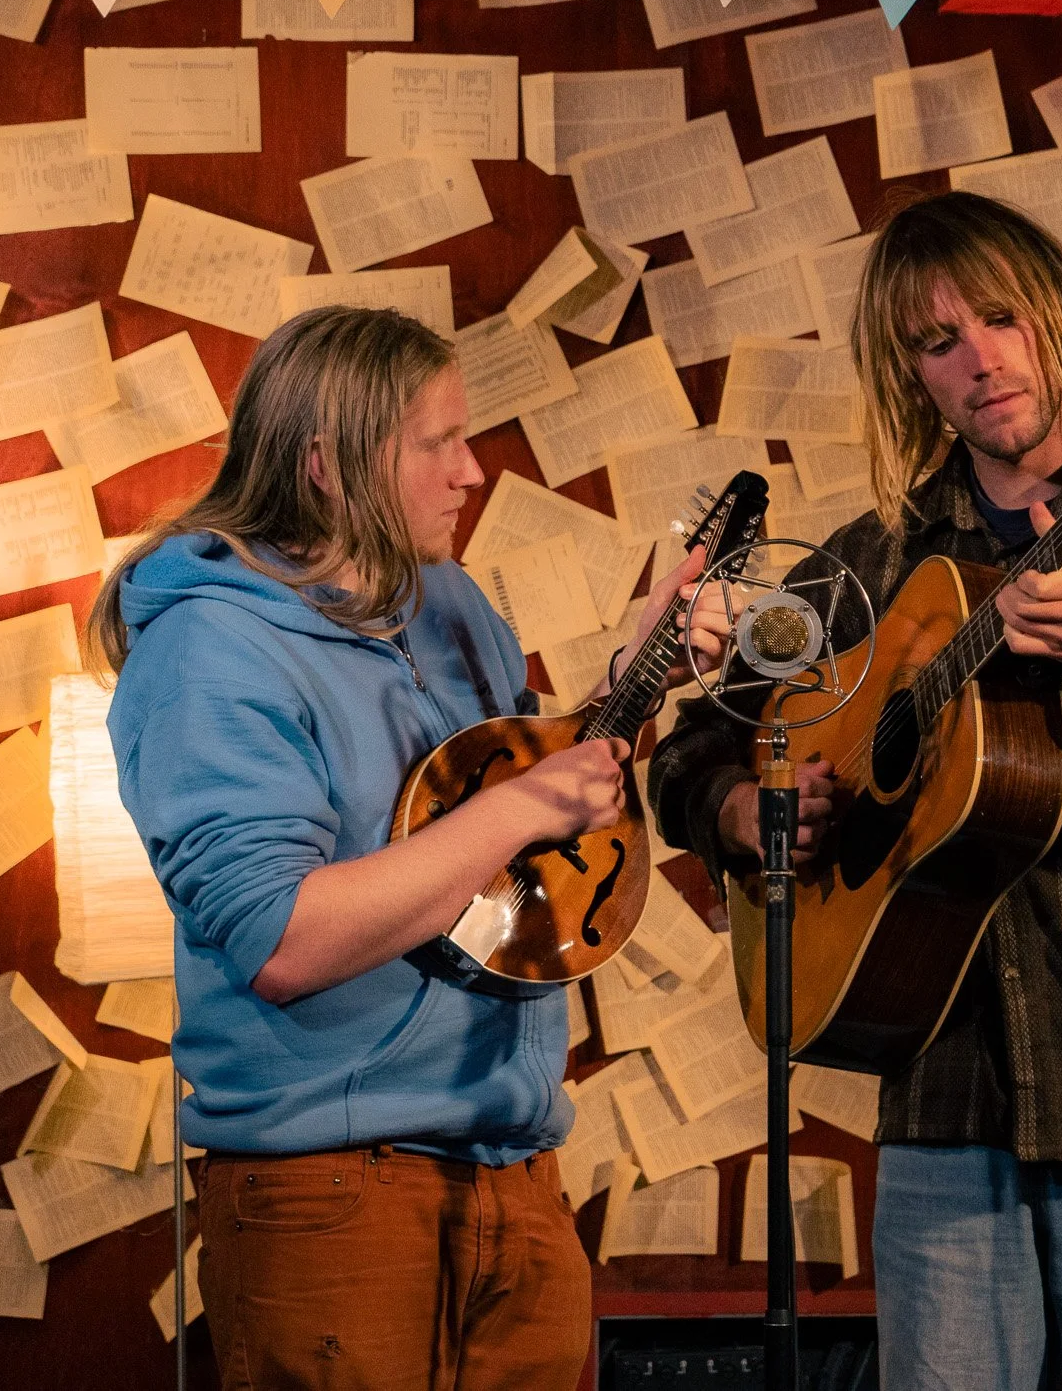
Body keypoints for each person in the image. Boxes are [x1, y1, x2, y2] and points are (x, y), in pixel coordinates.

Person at [649, 192, 1062, 1391]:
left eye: (1000, 319)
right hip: (945, 1104)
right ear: (908, 374)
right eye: (936, 342)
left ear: (1057, 316)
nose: (979, 360)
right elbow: (694, 748)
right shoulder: (871, 560)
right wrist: (739, 810)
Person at [92, 306, 728, 1391]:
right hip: (333, 1192)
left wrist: (631, 683)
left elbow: (503, 839)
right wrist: (524, 804)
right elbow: (282, 939)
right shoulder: (210, 650)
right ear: (328, 465)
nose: (472, 472)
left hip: (517, 1174)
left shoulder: (450, 603)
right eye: (437, 442)